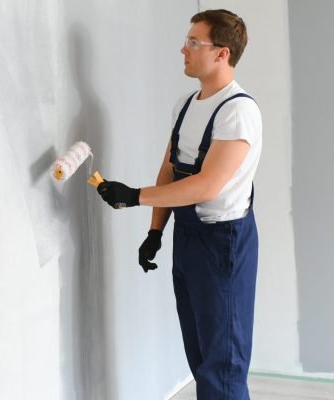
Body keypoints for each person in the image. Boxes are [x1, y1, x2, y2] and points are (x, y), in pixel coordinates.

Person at [95, 9, 262, 400]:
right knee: (201, 357)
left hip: (224, 246)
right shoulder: (186, 105)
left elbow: (207, 185)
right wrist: (155, 231)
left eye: (193, 42)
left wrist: (134, 197)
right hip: (187, 241)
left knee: (224, 365)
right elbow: (169, 171)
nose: (182, 49)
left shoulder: (238, 111)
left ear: (221, 53)